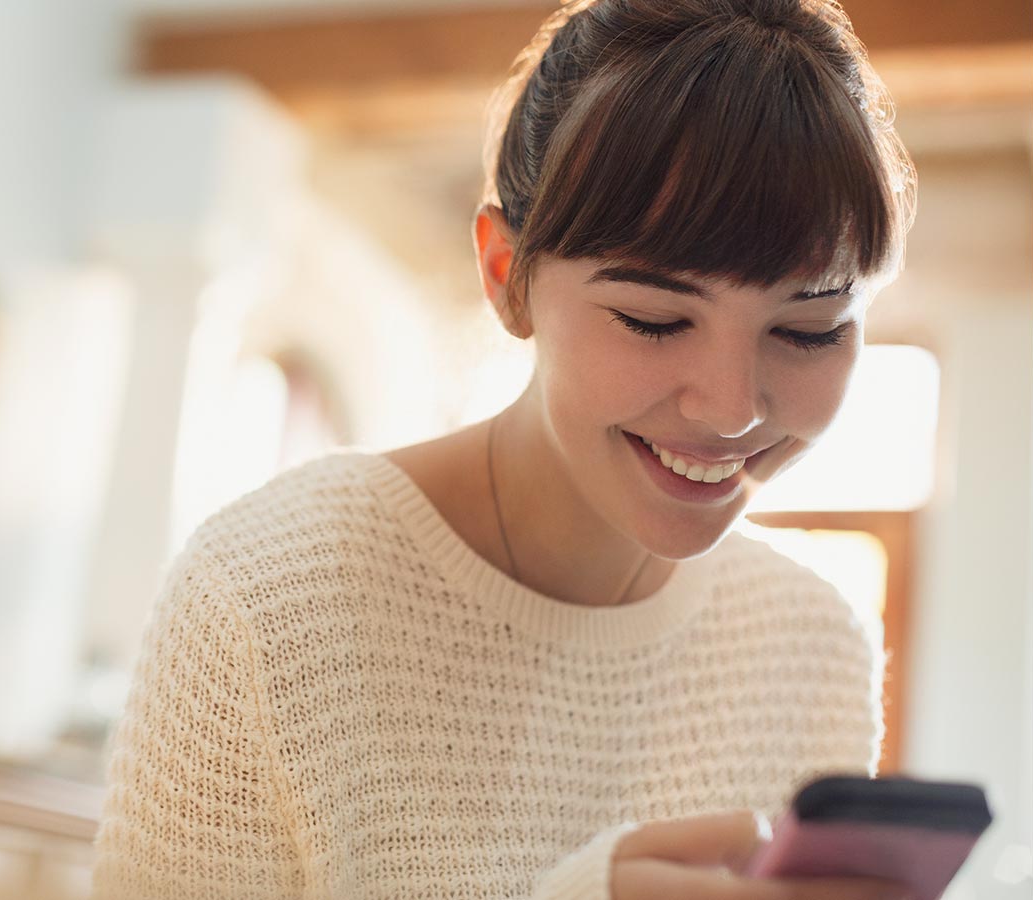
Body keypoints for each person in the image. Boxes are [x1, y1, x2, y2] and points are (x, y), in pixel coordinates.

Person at [92, 0, 917, 898]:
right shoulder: (268, 596)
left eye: (807, 332)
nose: (727, 410)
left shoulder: (811, 648)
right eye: (653, 319)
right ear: (505, 276)